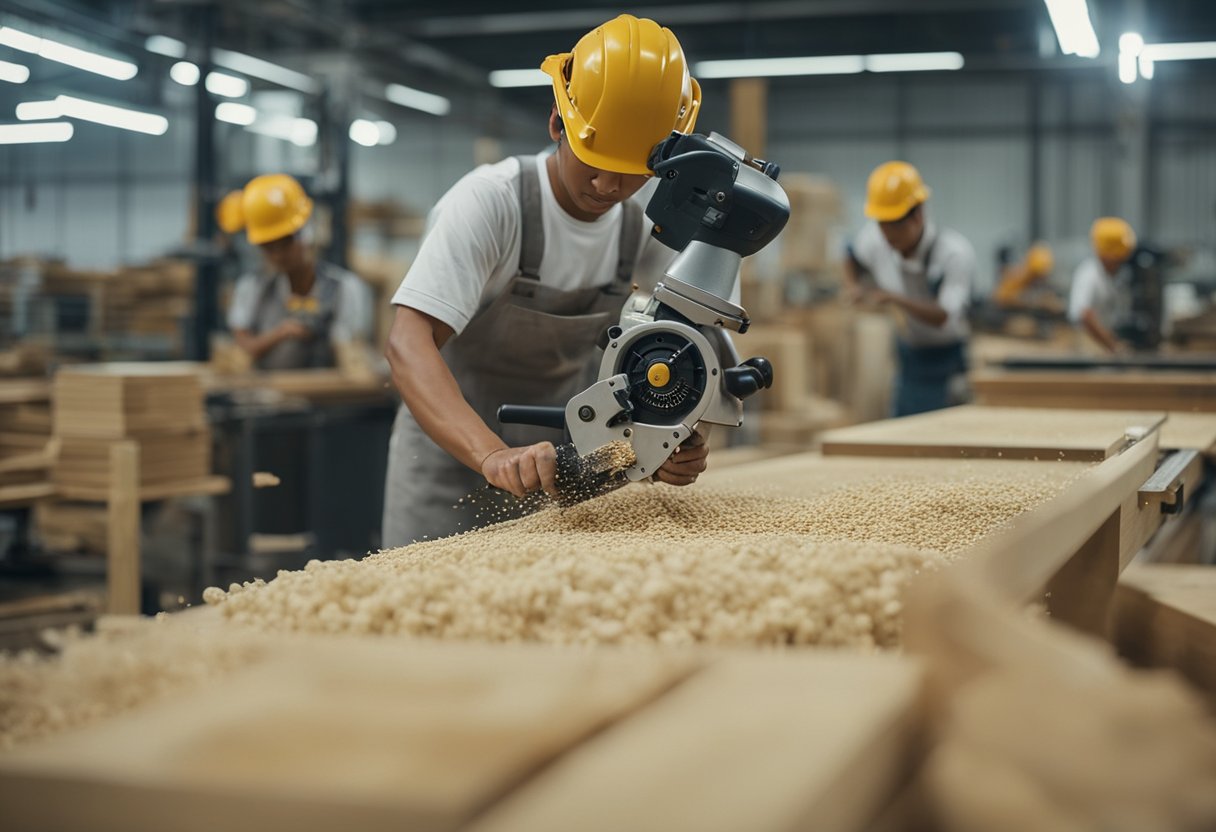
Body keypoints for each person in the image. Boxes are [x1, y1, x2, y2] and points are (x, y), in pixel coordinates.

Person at [381, 14, 713, 547]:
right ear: (558, 123)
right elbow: (407, 342)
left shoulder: (645, 226)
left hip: (563, 471)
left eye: (632, 168)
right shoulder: (492, 203)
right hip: (446, 472)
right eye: (595, 158)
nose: (608, 185)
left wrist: (674, 438)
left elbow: (683, 347)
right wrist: (492, 454)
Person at [843, 161, 976, 417]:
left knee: (947, 437)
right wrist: (853, 287)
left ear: (918, 215)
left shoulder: (954, 254)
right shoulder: (877, 239)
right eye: (881, 223)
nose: (887, 234)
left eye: (894, 224)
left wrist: (894, 298)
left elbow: (943, 316)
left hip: (948, 359)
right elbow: (849, 254)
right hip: (910, 356)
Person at [223, 174, 371, 370]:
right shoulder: (252, 288)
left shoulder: (343, 287)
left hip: (331, 396)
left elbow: (351, 349)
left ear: (307, 232)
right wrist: (280, 333)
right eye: (268, 247)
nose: (278, 255)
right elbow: (243, 345)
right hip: (266, 396)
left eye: (285, 243)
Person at [1068, 217, 1136, 353]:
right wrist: (1111, 346)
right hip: (1091, 344)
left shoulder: (1116, 276)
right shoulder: (1088, 274)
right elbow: (1085, 315)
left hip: (1105, 340)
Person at [995, 242, 1058, 309]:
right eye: (1037, 276)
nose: (1040, 280)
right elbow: (1002, 298)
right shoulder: (1017, 277)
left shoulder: (1040, 279)